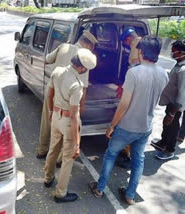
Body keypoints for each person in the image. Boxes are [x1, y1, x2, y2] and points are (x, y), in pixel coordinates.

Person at [88, 36, 168, 205]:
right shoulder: (163, 74)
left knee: (110, 155)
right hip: (145, 126)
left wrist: (111, 125)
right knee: (138, 161)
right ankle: (130, 195)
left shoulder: (134, 73)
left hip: (126, 126)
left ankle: (99, 188)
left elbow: (124, 104)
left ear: (140, 51)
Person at [36, 31, 98, 166]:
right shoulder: (84, 58)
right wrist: (81, 106)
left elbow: (47, 59)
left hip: (52, 90)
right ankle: (58, 160)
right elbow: (84, 87)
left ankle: (41, 150)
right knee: (67, 129)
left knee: (47, 121)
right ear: (88, 45)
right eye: (92, 48)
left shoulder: (63, 46)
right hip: (69, 98)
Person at [44, 49, 97, 203]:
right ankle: (60, 193)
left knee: (53, 148)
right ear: (82, 68)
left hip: (56, 116)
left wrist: (51, 111)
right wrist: (78, 143)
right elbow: (74, 115)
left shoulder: (58, 71)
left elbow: (49, 94)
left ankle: (48, 178)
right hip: (68, 121)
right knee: (68, 158)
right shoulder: (77, 85)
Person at [151, 39, 185, 160]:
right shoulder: (179, 64)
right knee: (166, 125)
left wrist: (172, 113)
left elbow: (182, 94)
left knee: (173, 126)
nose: (172, 53)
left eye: (174, 51)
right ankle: (163, 142)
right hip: (170, 102)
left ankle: (169, 150)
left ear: (182, 52)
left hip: (175, 105)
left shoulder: (183, 70)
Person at [116, 28, 142, 169]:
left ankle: (130, 156)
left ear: (128, 39)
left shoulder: (137, 45)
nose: (126, 44)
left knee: (129, 119)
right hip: (137, 87)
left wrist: (125, 87)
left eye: (126, 41)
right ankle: (126, 151)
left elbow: (133, 66)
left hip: (135, 89)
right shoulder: (142, 43)